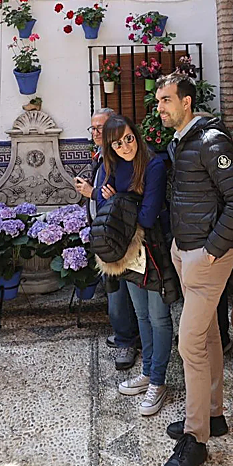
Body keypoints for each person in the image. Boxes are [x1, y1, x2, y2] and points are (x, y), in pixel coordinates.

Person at [153, 74, 233, 466]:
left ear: (188, 102)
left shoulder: (211, 142)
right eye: (158, 101)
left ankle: (196, 440)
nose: (160, 107)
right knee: (208, 334)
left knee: (188, 342)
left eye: (167, 100)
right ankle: (213, 415)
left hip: (207, 256)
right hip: (186, 250)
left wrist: (212, 250)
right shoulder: (183, 142)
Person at [92, 114, 178, 417]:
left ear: (136, 135)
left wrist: (120, 200)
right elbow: (104, 209)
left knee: (159, 317)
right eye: (118, 142)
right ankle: (147, 373)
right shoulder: (112, 166)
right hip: (127, 252)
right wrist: (124, 202)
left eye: (129, 138)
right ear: (110, 147)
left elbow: (147, 216)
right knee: (141, 315)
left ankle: (158, 381)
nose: (126, 145)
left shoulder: (152, 165)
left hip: (152, 251)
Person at [74, 106, 139, 371]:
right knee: (113, 290)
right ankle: (126, 335)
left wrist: (92, 194)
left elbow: (120, 200)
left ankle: (127, 341)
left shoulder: (122, 159)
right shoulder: (103, 156)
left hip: (119, 238)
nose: (96, 132)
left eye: (102, 127)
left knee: (120, 292)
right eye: (94, 128)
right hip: (105, 235)